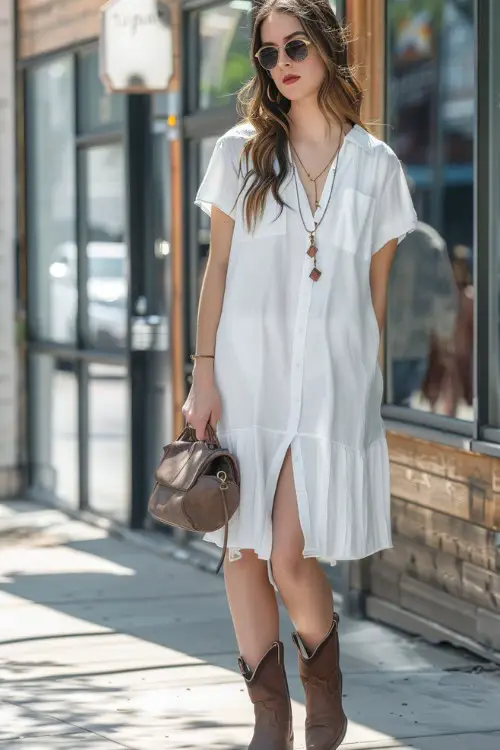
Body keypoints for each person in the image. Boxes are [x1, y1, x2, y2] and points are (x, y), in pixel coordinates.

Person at [183, 2, 417, 748]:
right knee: (241, 552)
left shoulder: (377, 166)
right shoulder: (241, 151)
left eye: (295, 46)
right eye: (266, 53)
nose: (280, 62)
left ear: (325, 49)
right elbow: (216, 268)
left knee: (288, 551)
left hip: (328, 390)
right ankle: (271, 721)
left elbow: (373, 297)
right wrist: (203, 375)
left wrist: (362, 388)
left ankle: (326, 694)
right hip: (245, 379)